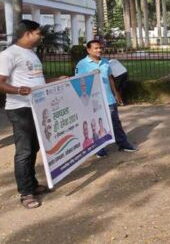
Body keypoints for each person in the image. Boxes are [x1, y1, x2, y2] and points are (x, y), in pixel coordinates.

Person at [0, 20, 66, 209]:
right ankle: (26, 193)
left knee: (34, 147)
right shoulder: (8, 54)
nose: (41, 36)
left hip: (37, 107)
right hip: (20, 109)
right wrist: (19, 90)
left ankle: (33, 184)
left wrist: (56, 80)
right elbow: (0, 82)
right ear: (28, 34)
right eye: (38, 33)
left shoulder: (31, 54)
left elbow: (37, 80)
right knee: (25, 151)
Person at [75, 40, 138, 158]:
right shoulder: (82, 64)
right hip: (93, 101)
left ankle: (123, 144)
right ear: (88, 50)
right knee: (96, 124)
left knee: (115, 122)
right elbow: (78, 82)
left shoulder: (105, 62)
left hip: (108, 98)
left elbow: (110, 78)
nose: (99, 50)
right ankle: (99, 148)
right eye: (96, 48)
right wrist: (90, 75)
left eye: (100, 48)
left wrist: (116, 93)